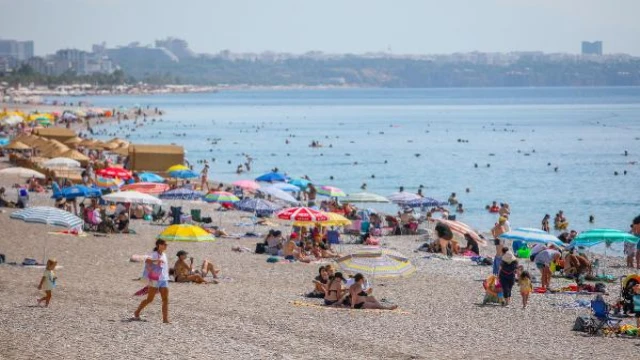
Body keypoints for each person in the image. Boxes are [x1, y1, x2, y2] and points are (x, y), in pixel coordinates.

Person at [134, 239, 170, 323]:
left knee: (165, 299)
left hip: (164, 279)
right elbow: (147, 260)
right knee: (150, 299)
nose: (166, 246)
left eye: (166, 244)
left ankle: (165, 319)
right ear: (159, 245)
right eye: (164, 244)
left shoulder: (164, 254)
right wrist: (156, 261)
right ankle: (137, 311)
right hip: (154, 279)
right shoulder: (154, 254)